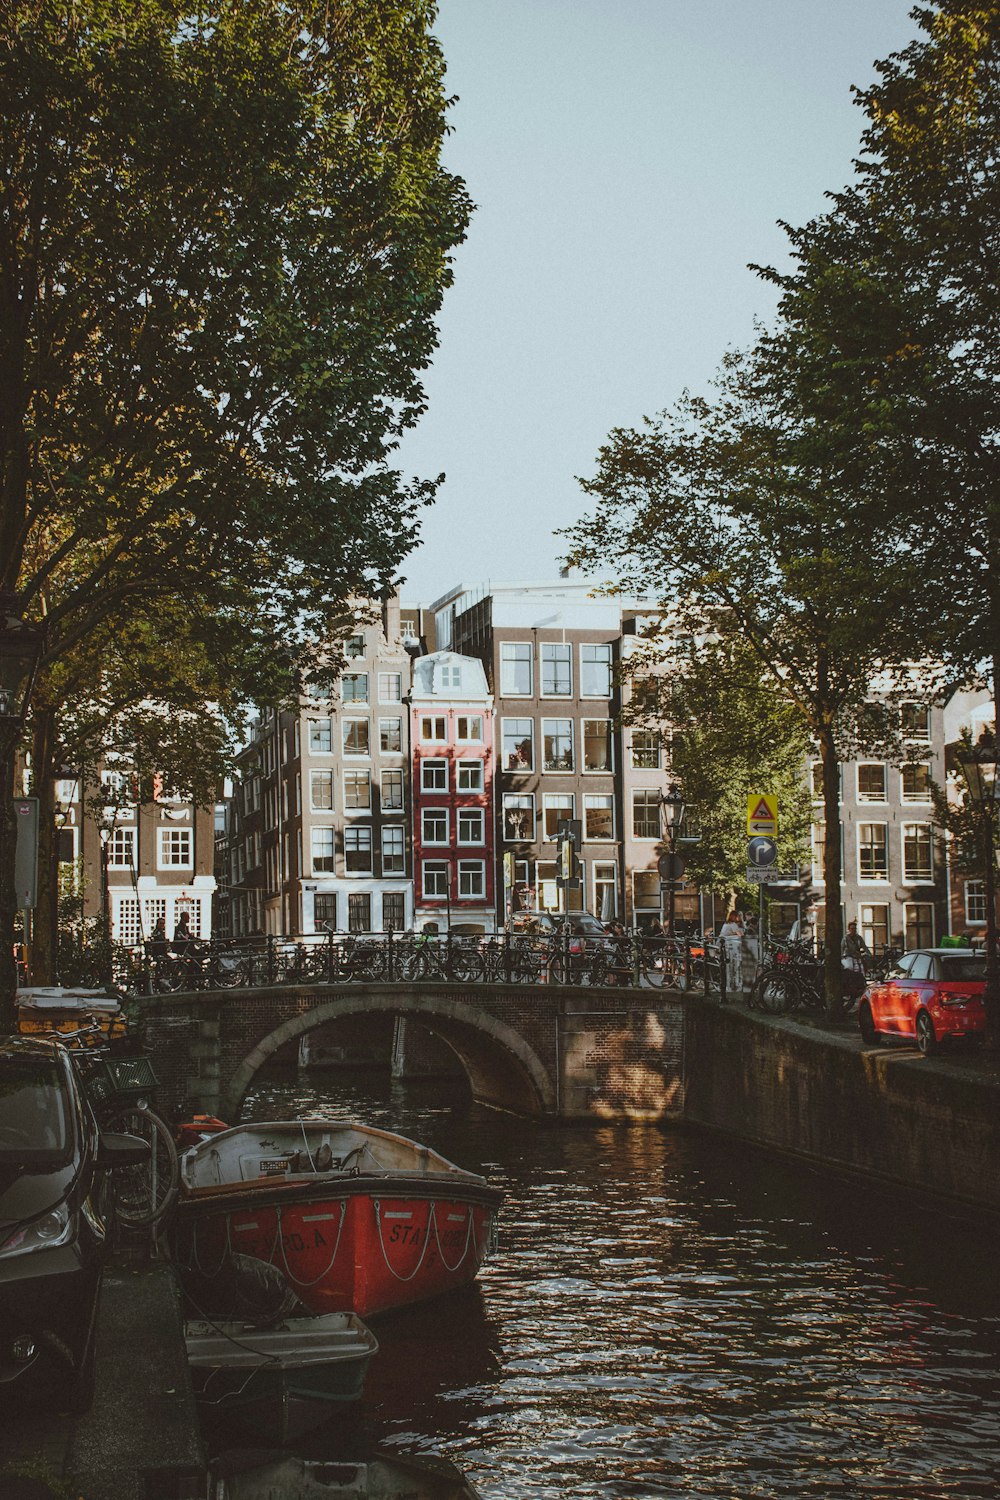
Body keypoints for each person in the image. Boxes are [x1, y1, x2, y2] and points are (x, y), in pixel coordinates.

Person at [719, 910, 745, 995]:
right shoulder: (733, 924)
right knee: (733, 965)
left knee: (724, 965)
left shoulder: (726, 923)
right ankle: (734, 985)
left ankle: (726, 984)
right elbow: (740, 934)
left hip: (721, 944)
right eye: (736, 916)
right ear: (734, 916)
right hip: (730, 947)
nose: (737, 918)